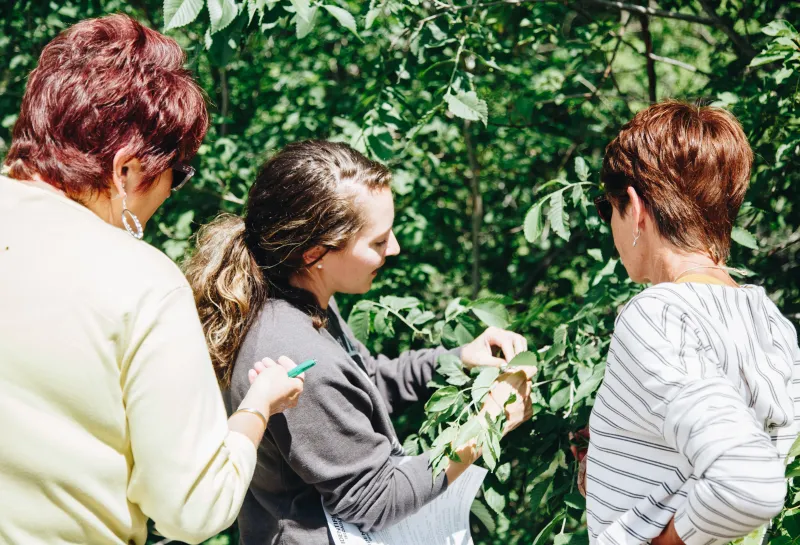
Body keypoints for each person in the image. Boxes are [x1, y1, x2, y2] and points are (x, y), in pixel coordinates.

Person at [0, 15, 305, 545]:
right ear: (125, 171)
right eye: (178, 172)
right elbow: (193, 508)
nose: (172, 191)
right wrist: (256, 409)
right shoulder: (140, 281)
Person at [184, 139, 535, 544]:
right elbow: (376, 500)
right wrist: (487, 424)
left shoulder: (298, 300)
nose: (396, 248)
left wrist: (459, 358)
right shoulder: (294, 350)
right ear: (315, 253)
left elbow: (363, 383)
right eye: (378, 241)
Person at [585, 101, 798, 545]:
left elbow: (748, 483)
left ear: (636, 208)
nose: (609, 225)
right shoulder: (770, 322)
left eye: (608, 208)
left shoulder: (657, 315)